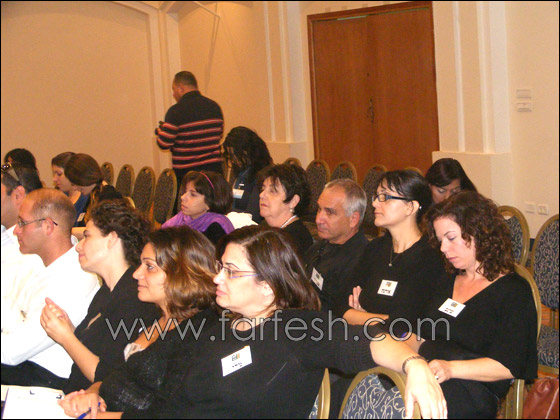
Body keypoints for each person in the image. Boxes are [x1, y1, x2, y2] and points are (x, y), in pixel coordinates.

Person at [61, 226, 447, 419]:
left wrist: (414, 364)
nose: (217, 278)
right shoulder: (216, 327)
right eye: (220, 268)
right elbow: (174, 407)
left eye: (231, 272)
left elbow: (371, 340)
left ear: (267, 286)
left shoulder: (297, 329)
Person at [58, 226, 219, 417]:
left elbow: (169, 412)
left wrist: (97, 417)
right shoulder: (153, 316)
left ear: (181, 273)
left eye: (149, 267)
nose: (136, 274)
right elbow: (113, 375)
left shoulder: (199, 333)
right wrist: (93, 394)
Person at [404, 191, 537, 418]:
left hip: (470, 388)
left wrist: (450, 368)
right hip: (426, 372)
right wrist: (404, 356)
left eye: (451, 238)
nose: (443, 248)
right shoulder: (446, 279)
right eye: (440, 240)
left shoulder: (514, 291)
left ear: (480, 233)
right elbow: (419, 335)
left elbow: (508, 365)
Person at [39, 200, 160, 394]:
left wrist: (66, 337)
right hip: (73, 395)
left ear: (111, 239)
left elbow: (108, 377)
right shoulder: (107, 291)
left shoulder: (134, 299)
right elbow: (95, 348)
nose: (79, 247)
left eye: (87, 236)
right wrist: (67, 327)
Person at [1, 189, 100, 389]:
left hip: (44, 378)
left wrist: (13, 325)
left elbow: (11, 353)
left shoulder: (75, 279)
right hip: (21, 363)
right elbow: (9, 310)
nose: (16, 231)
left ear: (47, 226)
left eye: (22, 223)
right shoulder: (36, 259)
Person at [339, 170, 447, 329]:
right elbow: (341, 305)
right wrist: (380, 319)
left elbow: (409, 322)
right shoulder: (375, 248)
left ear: (410, 207)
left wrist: (362, 317)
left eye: (385, 197)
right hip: (360, 336)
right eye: (376, 196)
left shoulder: (431, 257)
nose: (375, 203)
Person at [155, 71, 224, 210]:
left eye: (174, 89)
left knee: (188, 216)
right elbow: (219, 134)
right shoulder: (214, 107)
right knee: (214, 213)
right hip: (213, 175)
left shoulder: (176, 111)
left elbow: (164, 143)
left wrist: (160, 132)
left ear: (181, 88)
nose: (173, 94)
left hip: (187, 177)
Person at [304, 179, 369, 313]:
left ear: (353, 219)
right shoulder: (321, 245)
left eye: (329, 212)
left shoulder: (361, 262)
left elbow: (338, 313)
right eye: (319, 209)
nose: (318, 219)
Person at [162, 170, 234, 245]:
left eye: (193, 195)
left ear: (209, 202)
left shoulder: (216, 229)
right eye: (185, 191)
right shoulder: (182, 218)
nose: (182, 197)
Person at [259, 163, 313, 257]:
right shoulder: (265, 226)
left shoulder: (294, 239)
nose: (262, 195)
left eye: (272, 191)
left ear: (293, 201)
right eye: (263, 189)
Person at [222, 126, 273, 222]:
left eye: (237, 155)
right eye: (231, 155)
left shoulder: (264, 175)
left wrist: (227, 214)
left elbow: (253, 214)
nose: (234, 160)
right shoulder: (238, 172)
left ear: (249, 151)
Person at [64, 153, 122, 236]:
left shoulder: (110, 198)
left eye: (75, 183)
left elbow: (100, 232)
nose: (74, 188)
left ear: (84, 178)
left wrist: (67, 232)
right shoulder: (91, 195)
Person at [51, 152, 89, 226]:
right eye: (54, 174)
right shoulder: (58, 197)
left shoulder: (89, 199)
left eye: (59, 174)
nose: (54, 179)